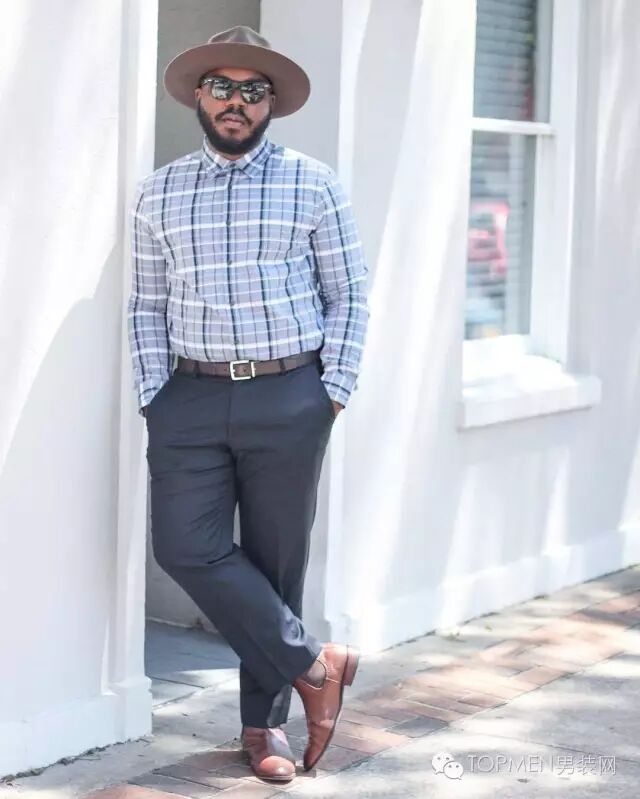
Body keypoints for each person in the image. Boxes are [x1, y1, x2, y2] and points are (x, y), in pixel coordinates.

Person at [126, 25, 370, 783]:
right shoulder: (159, 191)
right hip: (189, 396)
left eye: (253, 90)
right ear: (199, 97)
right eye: (222, 87)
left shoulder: (314, 183)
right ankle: (315, 664)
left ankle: (262, 730)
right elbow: (145, 303)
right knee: (184, 546)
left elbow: (349, 294)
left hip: (290, 394)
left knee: (275, 562)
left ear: (272, 103)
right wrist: (154, 395)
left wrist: (331, 393)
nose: (236, 101)